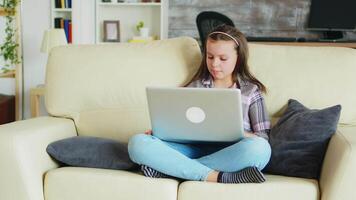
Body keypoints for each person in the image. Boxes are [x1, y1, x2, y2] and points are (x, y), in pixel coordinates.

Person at [128, 24, 271, 184]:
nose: (215, 64)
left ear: (239, 58)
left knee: (261, 150)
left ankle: (176, 170)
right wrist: (160, 131)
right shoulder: (194, 87)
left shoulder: (251, 92)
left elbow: (263, 138)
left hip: (230, 153)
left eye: (223, 58)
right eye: (210, 57)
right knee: (138, 143)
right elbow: (177, 123)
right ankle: (216, 177)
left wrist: (239, 132)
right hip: (190, 150)